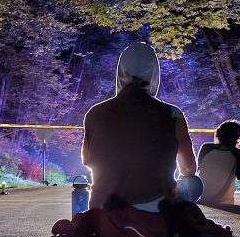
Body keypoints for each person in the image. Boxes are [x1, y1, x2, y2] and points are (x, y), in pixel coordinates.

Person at [81, 41, 198, 210]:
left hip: (104, 206)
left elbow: (87, 160)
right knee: (194, 183)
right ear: (155, 73)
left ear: (120, 72)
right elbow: (188, 168)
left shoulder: (95, 113)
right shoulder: (172, 114)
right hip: (159, 206)